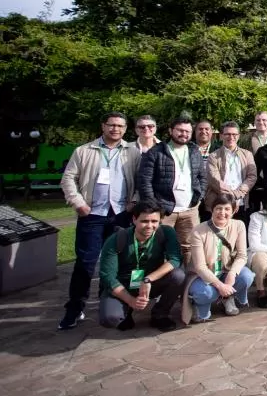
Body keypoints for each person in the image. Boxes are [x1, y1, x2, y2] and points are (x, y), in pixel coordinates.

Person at [58, 112, 142, 330]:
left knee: (121, 262)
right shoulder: (84, 151)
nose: (115, 129)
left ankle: (113, 304)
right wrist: (77, 202)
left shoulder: (132, 152)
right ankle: (75, 308)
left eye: (120, 126)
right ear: (103, 126)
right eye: (111, 125)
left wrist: (134, 201)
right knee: (85, 263)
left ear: (126, 129)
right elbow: (68, 178)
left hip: (121, 214)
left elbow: (140, 180)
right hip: (92, 214)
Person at [97, 200, 184, 331]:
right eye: (144, 221)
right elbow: (107, 277)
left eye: (154, 221)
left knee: (178, 276)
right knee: (110, 319)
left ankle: (160, 314)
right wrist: (131, 300)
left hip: (150, 283)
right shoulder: (116, 239)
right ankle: (126, 310)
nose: (149, 226)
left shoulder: (166, 232)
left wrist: (148, 279)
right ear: (134, 219)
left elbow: (175, 259)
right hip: (123, 284)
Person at [137, 116, 205, 264]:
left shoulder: (194, 151)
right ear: (170, 130)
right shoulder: (156, 152)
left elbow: (202, 176)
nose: (184, 134)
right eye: (180, 130)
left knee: (189, 247)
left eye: (187, 131)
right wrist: (154, 206)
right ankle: (159, 277)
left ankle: (188, 277)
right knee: (157, 246)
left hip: (190, 210)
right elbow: (144, 181)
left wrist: (199, 197)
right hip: (163, 210)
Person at [184, 193, 253, 324]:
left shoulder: (239, 225)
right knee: (206, 293)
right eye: (218, 208)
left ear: (234, 211)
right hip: (202, 275)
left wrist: (232, 273)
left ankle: (228, 298)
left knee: (246, 276)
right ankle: (198, 303)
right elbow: (200, 267)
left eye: (227, 209)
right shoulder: (198, 231)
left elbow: (242, 255)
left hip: (225, 270)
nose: (222, 213)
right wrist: (220, 285)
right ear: (212, 209)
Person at [204, 121, 257, 223]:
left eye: (234, 134)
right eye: (227, 134)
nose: (231, 137)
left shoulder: (247, 155)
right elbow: (215, 180)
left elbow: (252, 177)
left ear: (238, 136)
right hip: (219, 204)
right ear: (221, 136)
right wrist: (230, 199)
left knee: (239, 231)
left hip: (241, 203)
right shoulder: (213, 156)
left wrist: (237, 194)